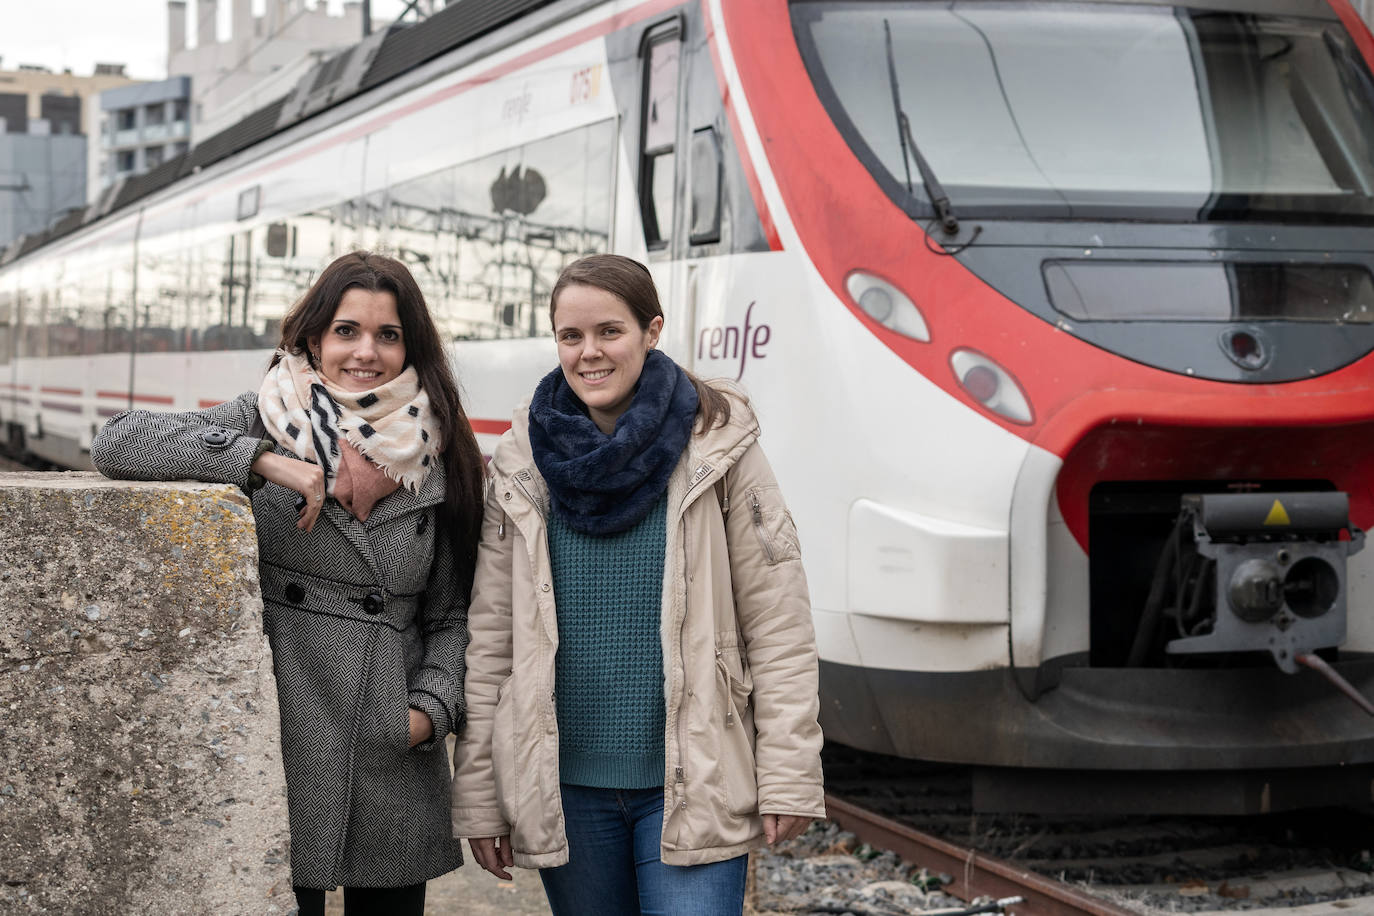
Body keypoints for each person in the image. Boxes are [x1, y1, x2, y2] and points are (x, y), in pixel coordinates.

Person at [91, 251, 486, 915]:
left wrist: (426, 713)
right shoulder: (266, 415)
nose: (367, 352)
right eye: (346, 330)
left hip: (391, 742)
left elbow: (451, 615)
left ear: (411, 345)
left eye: (388, 335)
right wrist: (262, 462)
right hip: (280, 731)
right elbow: (120, 443)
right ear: (312, 339)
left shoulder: (443, 450)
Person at [451, 254, 825, 915]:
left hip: (694, 780)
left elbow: (780, 625)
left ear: (651, 331)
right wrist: (480, 794)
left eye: (609, 332)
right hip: (566, 790)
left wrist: (791, 775)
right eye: (571, 336)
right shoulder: (522, 460)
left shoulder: (720, 445)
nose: (589, 352)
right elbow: (491, 640)